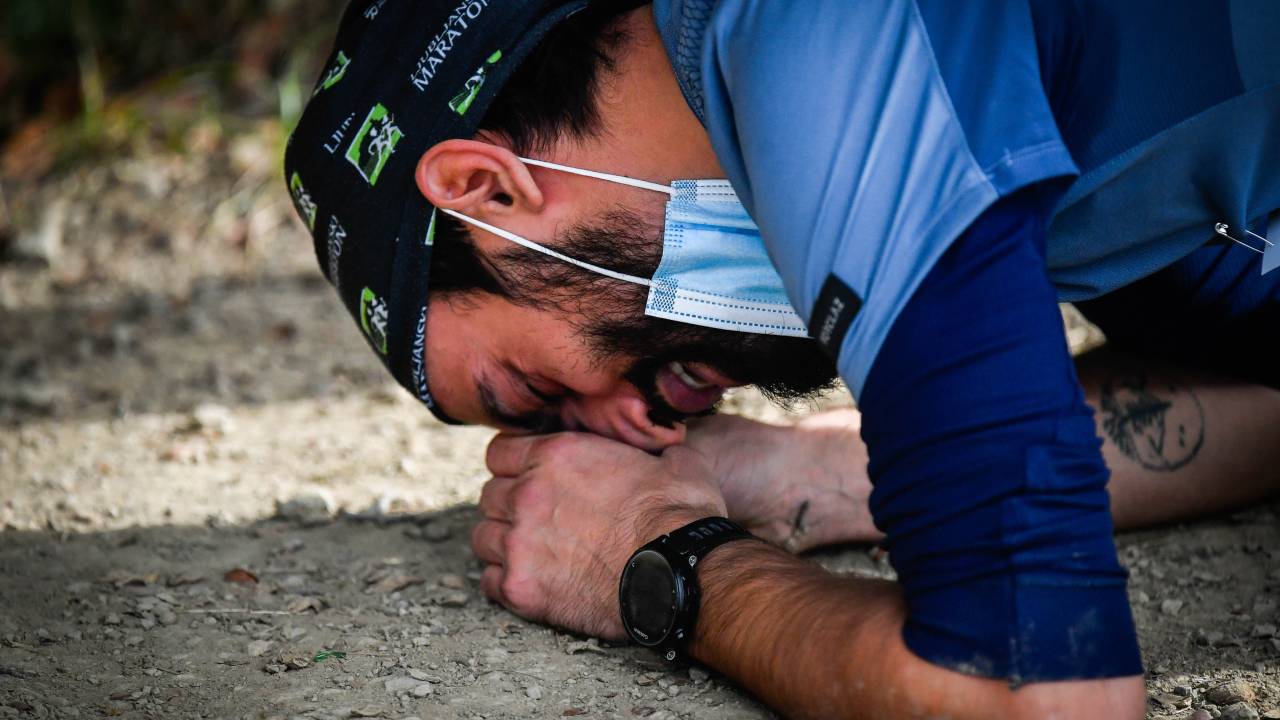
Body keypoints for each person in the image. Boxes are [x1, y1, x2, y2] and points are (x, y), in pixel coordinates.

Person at [284, 1, 1280, 717]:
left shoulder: (819, 46)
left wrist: (662, 559)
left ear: (488, 189)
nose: (633, 428)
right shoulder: (1043, 141)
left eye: (538, 392)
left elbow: (1044, 697)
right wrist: (811, 476)